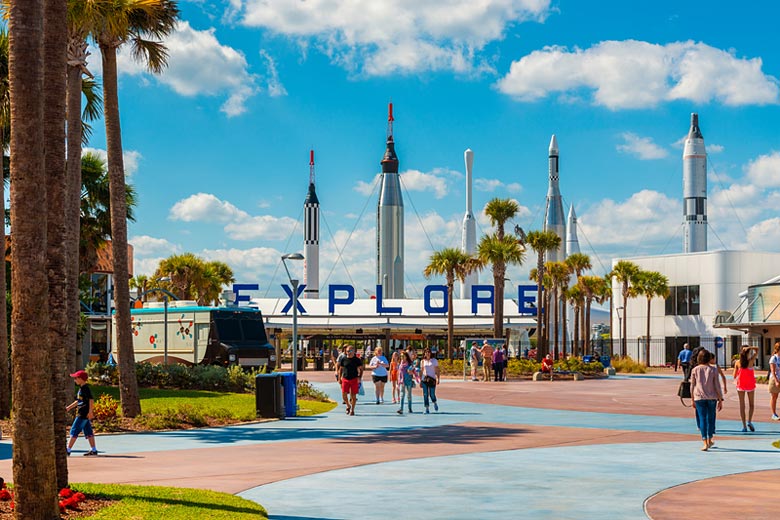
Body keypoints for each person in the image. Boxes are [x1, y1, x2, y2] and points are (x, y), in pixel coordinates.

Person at [690, 349, 723, 451]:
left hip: (699, 397)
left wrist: (692, 399)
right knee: (711, 419)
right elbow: (717, 385)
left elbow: (692, 385)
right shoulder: (713, 370)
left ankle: (705, 441)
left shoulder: (695, 370)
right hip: (712, 397)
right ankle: (710, 439)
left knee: (702, 419)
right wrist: (720, 398)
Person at [66, 370, 98, 456]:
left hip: (83, 413)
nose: (74, 380)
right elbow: (79, 401)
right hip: (83, 413)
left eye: (76, 378)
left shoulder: (85, 389)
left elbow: (91, 400)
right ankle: (94, 450)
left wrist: (90, 412)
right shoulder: (81, 389)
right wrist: (69, 407)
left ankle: (68, 449)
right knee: (88, 431)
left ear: (81, 379)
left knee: (74, 430)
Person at [733, 345, 759, 432]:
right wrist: (751, 347)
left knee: (742, 405)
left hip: (741, 385)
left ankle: (744, 426)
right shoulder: (751, 361)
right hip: (750, 384)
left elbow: (734, 375)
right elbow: (757, 349)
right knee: (751, 404)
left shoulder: (737, 362)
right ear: (748, 352)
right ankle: (749, 421)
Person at [338, 346, 364, 416]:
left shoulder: (357, 360)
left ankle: (352, 410)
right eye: (347, 351)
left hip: (354, 379)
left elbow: (361, 369)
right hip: (345, 378)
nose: (348, 353)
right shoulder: (344, 359)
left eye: (350, 351)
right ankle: (348, 405)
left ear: (353, 352)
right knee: (344, 394)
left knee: (353, 395)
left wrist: (359, 377)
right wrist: (339, 377)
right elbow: (341, 369)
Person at [420, 348, 440, 413]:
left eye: (428, 352)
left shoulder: (434, 361)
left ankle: (434, 402)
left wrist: (438, 378)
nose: (427, 353)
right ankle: (427, 408)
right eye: (426, 352)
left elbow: (437, 370)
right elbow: (421, 371)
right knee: (425, 394)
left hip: (432, 379)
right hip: (425, 379)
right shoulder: (423, 361)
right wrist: (420, 380)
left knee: (432, 394)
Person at [769, 342, 780, 421]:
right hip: (775, 379)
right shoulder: (774, 358)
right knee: (774, 397)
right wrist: (776, 381)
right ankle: (774, 414)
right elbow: (773, 371)